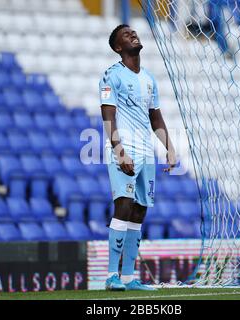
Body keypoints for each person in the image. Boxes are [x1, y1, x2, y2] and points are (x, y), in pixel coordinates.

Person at [99, 24, 176, 291]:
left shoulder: (149, 79)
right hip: (126, 150)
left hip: (147, 154)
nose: (133, 35)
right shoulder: (112, 75)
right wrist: (119, 151)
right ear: (118, 47)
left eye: (133, 32)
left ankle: (129, 278)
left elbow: (155, 117)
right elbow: (107, 116)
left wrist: (169, 147)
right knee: (123, 205)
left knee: (139, 211)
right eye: (125, 35)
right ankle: (111, 276)